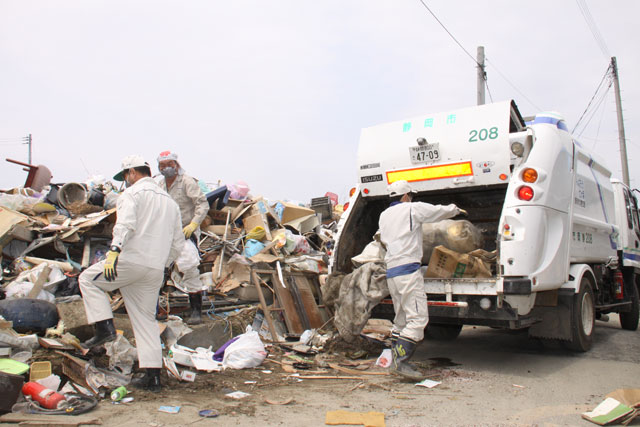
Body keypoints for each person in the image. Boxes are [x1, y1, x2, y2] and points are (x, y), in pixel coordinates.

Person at [78, 155, 184, 392]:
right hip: (154, 269)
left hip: (130, 260)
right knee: (146, 320)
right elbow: (178, 242)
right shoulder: (170, 203)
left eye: (126, 176)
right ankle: (153, 377)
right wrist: (164, 264)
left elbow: (125, 224)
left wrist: (114, 251)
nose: (126, 181)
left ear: (132, 173)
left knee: (87, 279)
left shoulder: (132, 194)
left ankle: (103, 328)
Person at [378, 180, 465, 380]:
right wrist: (455, 209)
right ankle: (402, 363)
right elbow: (436, 212)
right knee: (418, 319)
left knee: (401, 319)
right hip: (408, 272)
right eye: (411, 195)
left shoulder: (384, 216)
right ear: (406, 196)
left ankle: (394, 357)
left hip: (392, 272)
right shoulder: (411, 208)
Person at [156, 150, 209, 325]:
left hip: (185, 232)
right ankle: (158, 310)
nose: (166, 169)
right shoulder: (159, 184)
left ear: (176, 165)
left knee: (189, 267)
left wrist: (193, 224)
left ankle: (196, 311)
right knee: (158, 269)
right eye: (162, 166)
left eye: (169, 165)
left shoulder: (186, 181)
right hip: (165, 233)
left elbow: (202, 204)